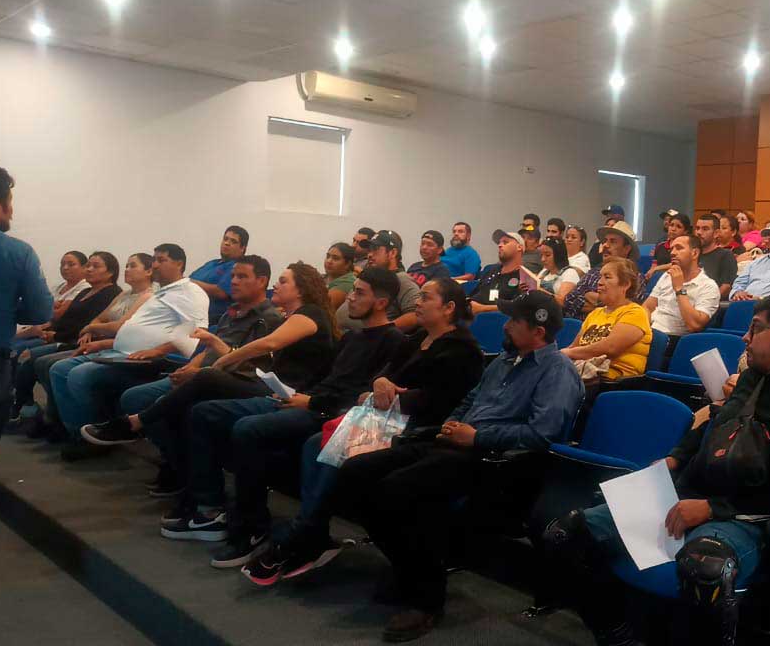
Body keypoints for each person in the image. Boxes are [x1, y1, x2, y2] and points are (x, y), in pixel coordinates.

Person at [544, 292, 770, 644]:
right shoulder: (753, 379)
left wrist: (713, 508)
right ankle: (617, 633)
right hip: (688, 495)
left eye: (755, 329)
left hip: (745, 520)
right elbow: (715, 426)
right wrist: (676, 457)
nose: (745, 338)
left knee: (704, 568)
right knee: (565, 534)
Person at [340, 290, 581, 643]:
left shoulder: (557, 371)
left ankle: (427, 598)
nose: (507, 324)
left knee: (396, 489)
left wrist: (477, 437)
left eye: (515, 320)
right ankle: (409, 568)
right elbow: (469, 400)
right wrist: (452, 425)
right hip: (454, 443)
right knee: (354, 472)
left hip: (497, 461)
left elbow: (543, 434)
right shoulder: (503, 361)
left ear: (539, 331)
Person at [242, 278, 485, 586]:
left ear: (449, 308)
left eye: (426, 297)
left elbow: (441, 400)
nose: (418, 303)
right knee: (315, 443)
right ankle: (311, 532)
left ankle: (301, 535)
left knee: (333, 446)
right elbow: (384, 376)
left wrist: (392, 396)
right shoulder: (417, 338)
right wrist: (380, 385)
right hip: (385, 418)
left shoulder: (463, 350)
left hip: (418, 428)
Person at [173, 268, 406, 564]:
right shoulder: (352, 338)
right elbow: (326, 378)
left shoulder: (394, 340)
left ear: (382, 302)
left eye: (360, 293)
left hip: (332, 413)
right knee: (206, 412)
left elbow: (365, 398)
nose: (350, 298)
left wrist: (311, 401)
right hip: (309, 402)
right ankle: (209, 507)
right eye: (353, 290)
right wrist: (293, 393)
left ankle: (252, 528)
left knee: (248, 429)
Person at [82, 262, 336, 511]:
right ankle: (190, 482)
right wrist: (216, 347)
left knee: (204, 383)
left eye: (283, 281)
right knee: (193, 401)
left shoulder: (310, 314)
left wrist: (224, 360)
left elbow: (266, 345)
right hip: (270, 385)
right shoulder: (287, 317)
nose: (275, 286)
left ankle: (137, 423)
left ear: (301, 289)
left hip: (285, 393)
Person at [46, 244, 210, 459]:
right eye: (154, 260)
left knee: (79, 374)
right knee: (59, 369)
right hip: (119, 350)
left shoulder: (190, 292)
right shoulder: (162, 293)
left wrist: (156, 350)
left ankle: (95, 438)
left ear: (179, 264)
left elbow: (196, 333)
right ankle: (78, 433)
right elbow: (133, 327)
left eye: (161, 260)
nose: (155, 265)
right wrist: (104, 344)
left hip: (149, 359)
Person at [18, 253, 155, 439]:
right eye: (127, 265)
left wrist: (91, 327)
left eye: (132, 266)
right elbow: (99, 318)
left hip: (114, 346)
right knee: (44, 362)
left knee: (56, 366)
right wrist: (92, 327)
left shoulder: (147, 296)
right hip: (94, 340)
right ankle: (57, 419)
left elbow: (120, 326)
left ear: (148, 271)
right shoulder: (124, 294)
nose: (127, 269)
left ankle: (78, 429)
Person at [0, 164, 53, 473]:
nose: (11, 212)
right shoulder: (18, 252)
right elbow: (40, 313)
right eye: (9, 202)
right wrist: (7, 307)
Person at [11, 252, 120, 425]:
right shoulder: (85, 291)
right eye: (88, 265)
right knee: (22, 354)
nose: (89, 269)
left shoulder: (111, 293)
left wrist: (55, 334)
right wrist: (52, 332)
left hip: (75, 341)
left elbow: (84, 324)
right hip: (64, 336)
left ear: (111, 272)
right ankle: (31, 408)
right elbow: (68, 318)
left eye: (95, 266)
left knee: (33, 358)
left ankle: (50, 416)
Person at [564, 258, 652, 381]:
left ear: (625, 284)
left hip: (612, 379)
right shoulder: (595, 313)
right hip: (583, 373)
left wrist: (568, 353)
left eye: (607, 277)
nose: (599, 282)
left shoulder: (635, 313)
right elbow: (574, 347)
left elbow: (610, 348)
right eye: (600, 277)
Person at [336, 230, 421, 333]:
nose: (369, 255)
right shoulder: (368, 278)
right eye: (369, 250)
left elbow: (416, 314)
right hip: (348, 338)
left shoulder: (401, 279)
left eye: (375, 249)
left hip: (368, 343)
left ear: (392, 253)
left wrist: (380, 333)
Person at [644, 235, 720, 338]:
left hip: (674, 339)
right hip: (650, 332)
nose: (672, 253)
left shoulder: (708, 286)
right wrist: (644, 328)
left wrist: (679, 289)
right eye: (672, 249)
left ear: (695, 253)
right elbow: (647, 307)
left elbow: (694, 325)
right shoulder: (667, 276)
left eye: (679, 248)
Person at [13, 251, 87, 351]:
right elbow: (39, 308)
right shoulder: (58, 287)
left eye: (71, 264)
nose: (65, 268)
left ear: (84, 267)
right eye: (62, 264)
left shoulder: (84, 287)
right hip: (34, 329)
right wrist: (50, 307)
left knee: (13, 348)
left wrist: (47, 307)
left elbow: (57, 315)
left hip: (52, 333)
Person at [564, 222, 635, 319]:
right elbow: (569, 300)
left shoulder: (634, 277)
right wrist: (604, 302)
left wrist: (588, 295)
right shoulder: (594, 271)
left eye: (613, 241)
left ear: (627, 249)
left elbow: (624, 310)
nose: (605, 245)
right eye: (605, 241)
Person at [190, 225, 249, 324]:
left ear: (242, 248)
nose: (227, 243)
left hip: (210, 321)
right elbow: (190, 279)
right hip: (187, 313)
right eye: (225, 239)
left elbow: (221, 292)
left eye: (233, 241)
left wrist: (187, 282)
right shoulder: (212, 263)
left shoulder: (237, 267)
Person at [470, 231, 527, 314]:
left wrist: (482, 309)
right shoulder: (491, 271)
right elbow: (473, 295)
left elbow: (518, 307)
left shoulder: (524, 277)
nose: (500, 245)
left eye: (505, 242)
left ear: (519, 247)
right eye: (499, 243)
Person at [692, 214, 737, 299]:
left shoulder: (725, 255)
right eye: (697, 228)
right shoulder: (691, 255)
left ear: (716, 233)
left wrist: (707, 302)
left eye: (705, 229)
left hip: (710, 304)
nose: (699, 232)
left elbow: (726, 287)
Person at [646, 213, 692, 280]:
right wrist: (650, 273)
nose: (673, 229)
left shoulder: (687, 247)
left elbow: (677, 264)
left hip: (678, 279)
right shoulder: (660, 245)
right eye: (671, 225)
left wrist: (657, 268)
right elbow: (654, 265)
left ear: (685, 231)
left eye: (678, 226)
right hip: (659, 280)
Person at [536, 236, 580, 306]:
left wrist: (539, 291)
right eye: (541, 255)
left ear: (559, 255)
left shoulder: (570, 273)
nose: (543, 259)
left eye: (547, 255)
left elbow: (562, 302)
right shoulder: (543, 272)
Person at [323, 242, 357, 311]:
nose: (329, 261)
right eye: (328, 256)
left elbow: (321, 309)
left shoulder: (347, 283)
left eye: (335, 258)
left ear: (347, 264)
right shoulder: (324, 278)